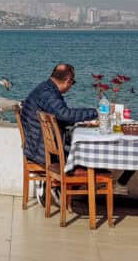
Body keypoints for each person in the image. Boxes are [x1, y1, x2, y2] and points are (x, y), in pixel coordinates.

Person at [20, 63, 97, 205]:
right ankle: (55, 185)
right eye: (72, 82)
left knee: (81, 152)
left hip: (35, 146)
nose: (71, 86)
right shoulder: (48, 93)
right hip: (42, 151)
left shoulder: (45, 89)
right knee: (88, 159)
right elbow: (65, 114)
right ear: (68, 81)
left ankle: (56, 187)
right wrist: (95, 112)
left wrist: (81, 120)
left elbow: (60, 116)